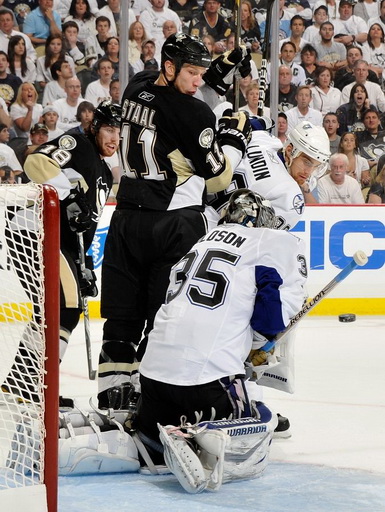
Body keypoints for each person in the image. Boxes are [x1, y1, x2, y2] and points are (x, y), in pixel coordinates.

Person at [97, 33, 252, 408]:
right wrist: (233, 138)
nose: (198, 81)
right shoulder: (195, 114)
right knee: (162, 318)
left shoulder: (136, 86)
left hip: (126, 219)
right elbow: (218, 178)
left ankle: (112, 402)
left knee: (120, 320)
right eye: (193, 73)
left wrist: (216, 73)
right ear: (170, 67)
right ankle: (150, 405)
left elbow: (173, 108)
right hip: (173, 224)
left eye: (202, 73)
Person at [136, 189, 307, 477]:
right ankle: (194, 435)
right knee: (260, 423)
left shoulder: (199, 244)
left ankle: (154, 436)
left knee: (151, 446)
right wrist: (261, 343)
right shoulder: (264, 244)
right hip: (207, 381)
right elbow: (269, 324)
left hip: (152, 379)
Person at [24, 100, 121, 363]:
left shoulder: (104, 170)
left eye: (119, 133)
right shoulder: (78, 143)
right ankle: (42, 383)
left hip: (61, 242)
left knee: (49, 310)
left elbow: (83, 224)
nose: (115, 138)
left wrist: (83, 265)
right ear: (96, 127)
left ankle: (23, 382)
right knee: (66, 307)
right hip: (36, 233)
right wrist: (68, 195)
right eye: (110, 130)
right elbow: (35, 161)